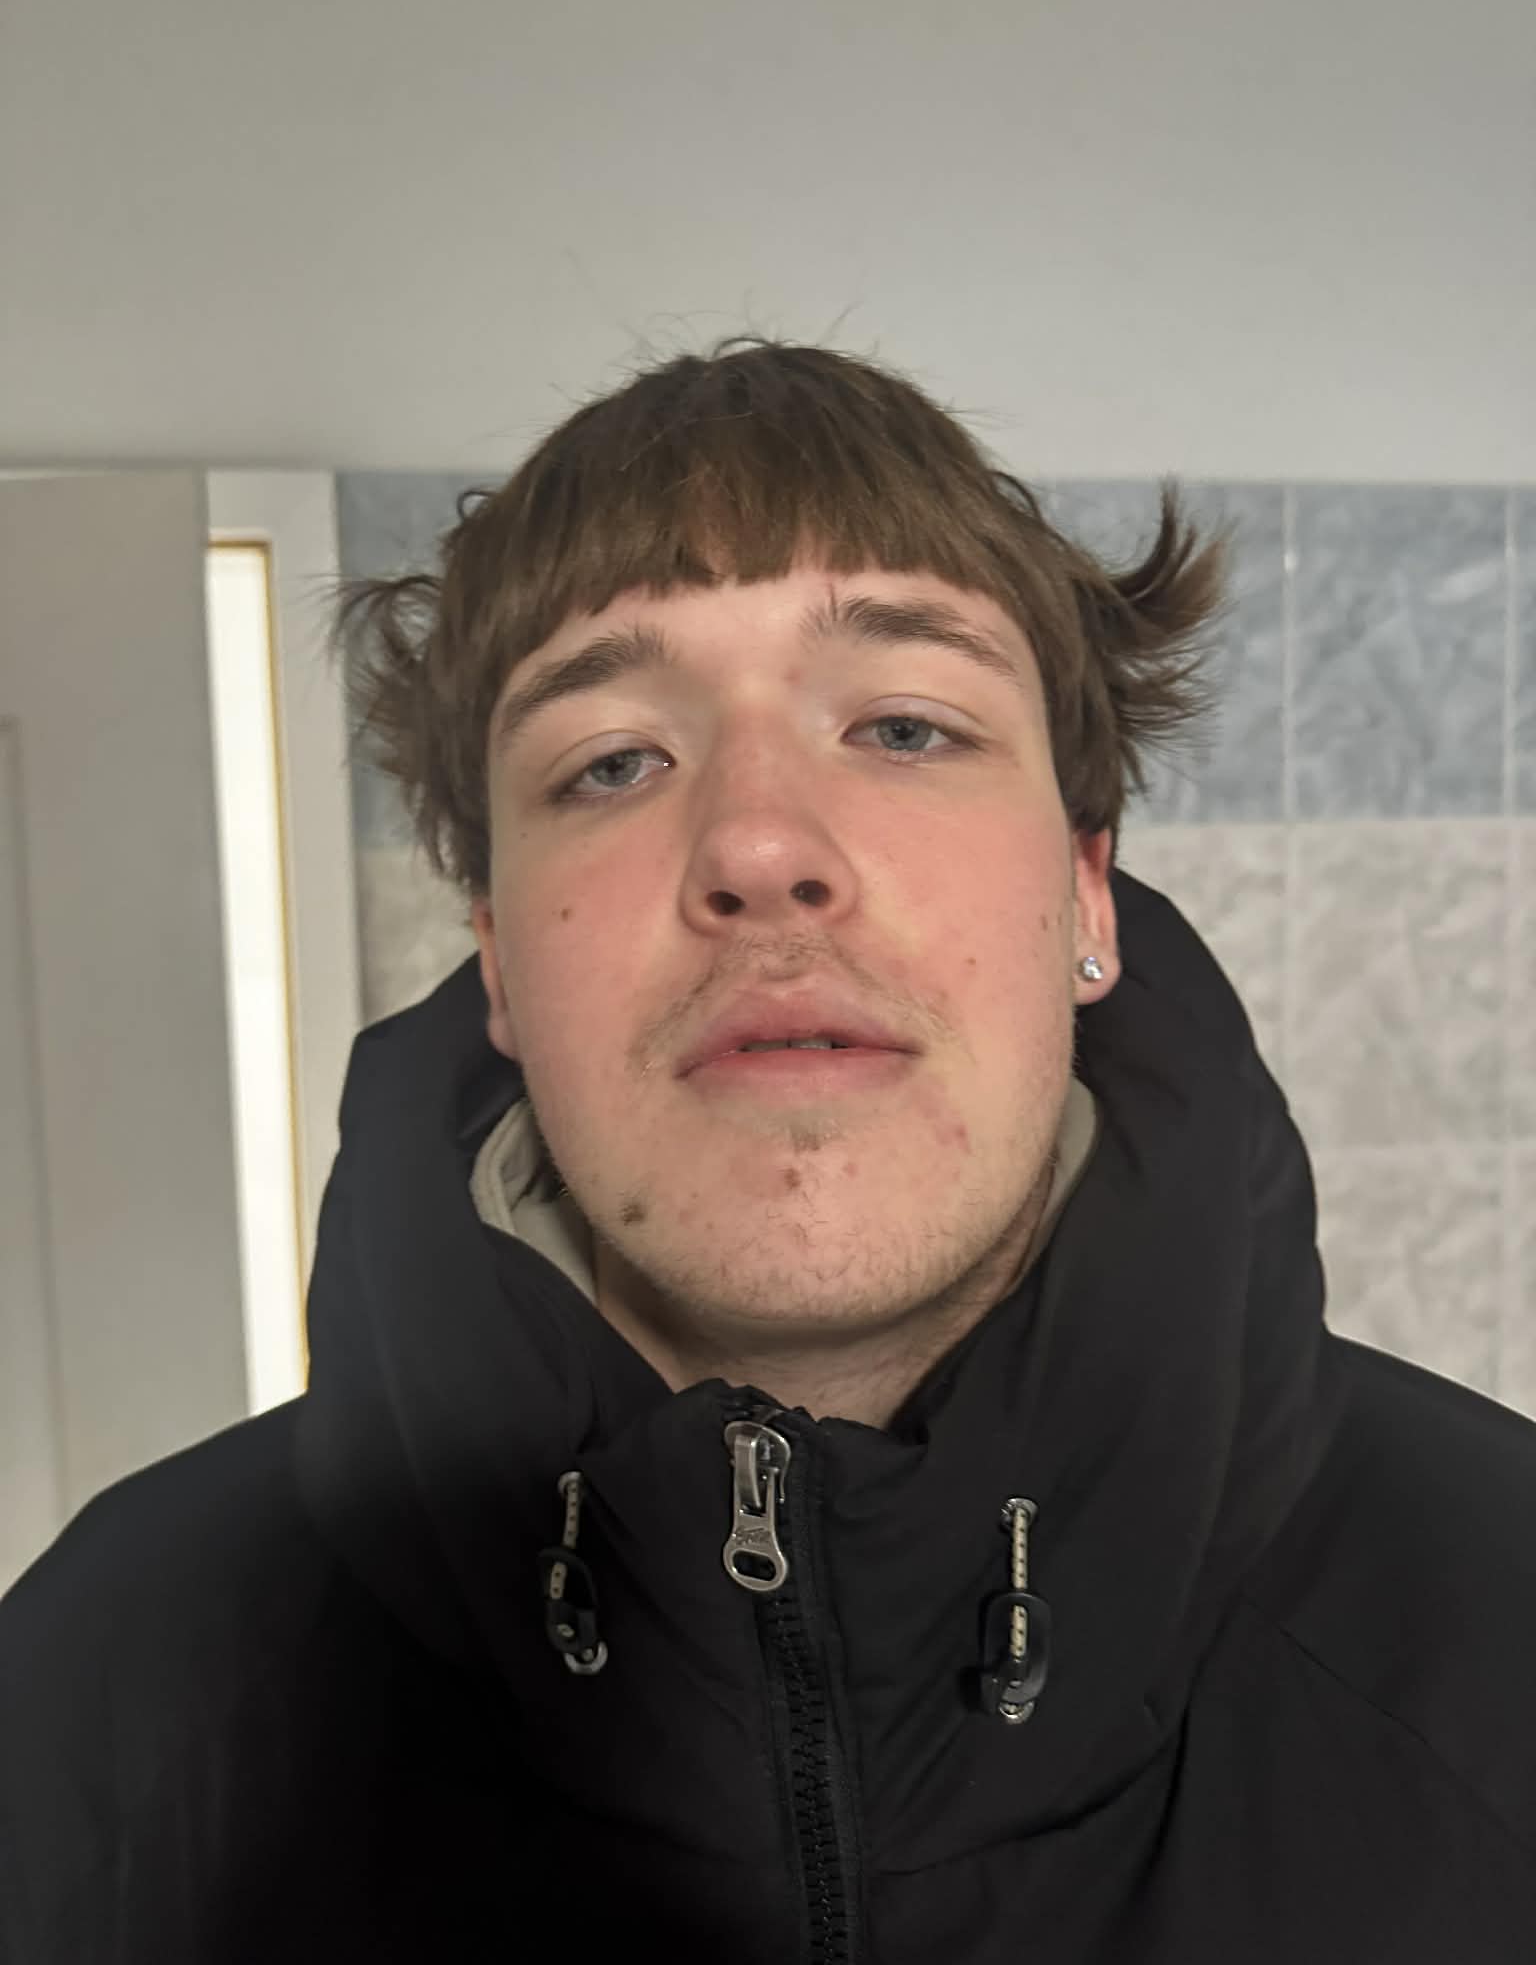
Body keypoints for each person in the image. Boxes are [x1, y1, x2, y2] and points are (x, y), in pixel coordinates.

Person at [2, 339, 1534, 1964]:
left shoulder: (1505, 1614)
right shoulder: (99, 1694)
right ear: (500, 962)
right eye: (612, 762)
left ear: (1085, 895)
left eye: (906, 728)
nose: (756, 846)